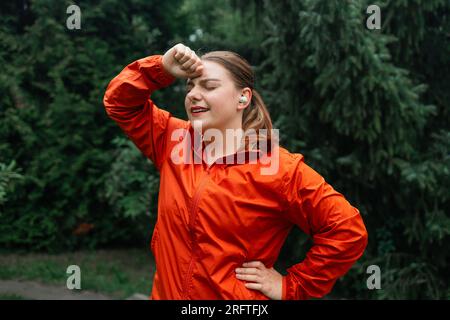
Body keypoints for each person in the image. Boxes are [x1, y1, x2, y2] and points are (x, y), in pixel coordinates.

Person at [103, 43, 368, 300]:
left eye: (208, 85)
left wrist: (293, 286)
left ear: (243, 97)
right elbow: (119, 103)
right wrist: (161, 67)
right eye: (190, 85)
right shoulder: (174, 141)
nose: (194, 94)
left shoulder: (279, 169)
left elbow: (347, 230)